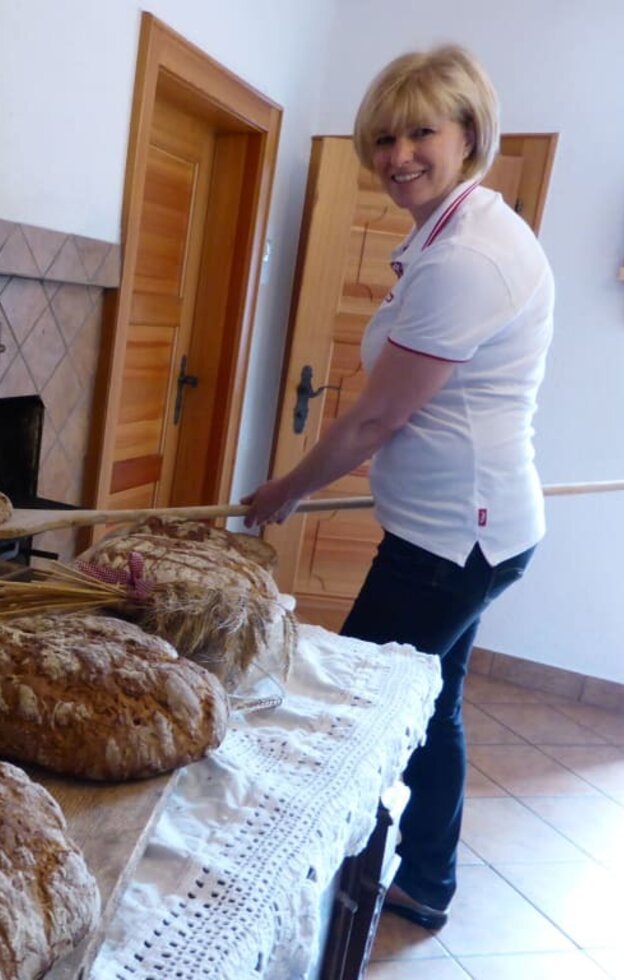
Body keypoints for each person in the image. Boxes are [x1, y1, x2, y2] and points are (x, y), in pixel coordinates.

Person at [242, 45, 553, 930]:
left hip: (456, 540)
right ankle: (426, 882)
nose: (397, 155)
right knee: (435, 703)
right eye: (383, 137)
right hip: (462, 530)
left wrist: (285, 492)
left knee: (346, 716)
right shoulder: (452, 231)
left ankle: (310, 902)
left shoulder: (469, 258)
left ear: (467, 136)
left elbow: (378, 420)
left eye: (421, 131)